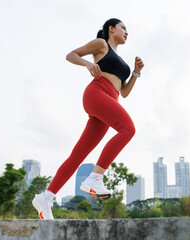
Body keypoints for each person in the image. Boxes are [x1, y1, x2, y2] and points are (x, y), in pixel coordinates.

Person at [32, 18, 144, 219]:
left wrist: (135, 73)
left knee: (78, 154)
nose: (127, 32)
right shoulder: (101, 44)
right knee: (128, 129)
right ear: (111, 29)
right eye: (123, 28)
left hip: (111, 100)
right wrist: (87, 64)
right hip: (97, 93)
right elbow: (71, 55)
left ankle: (46, 197)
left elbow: (124, 93)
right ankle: (96, 176)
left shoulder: (120, 59)